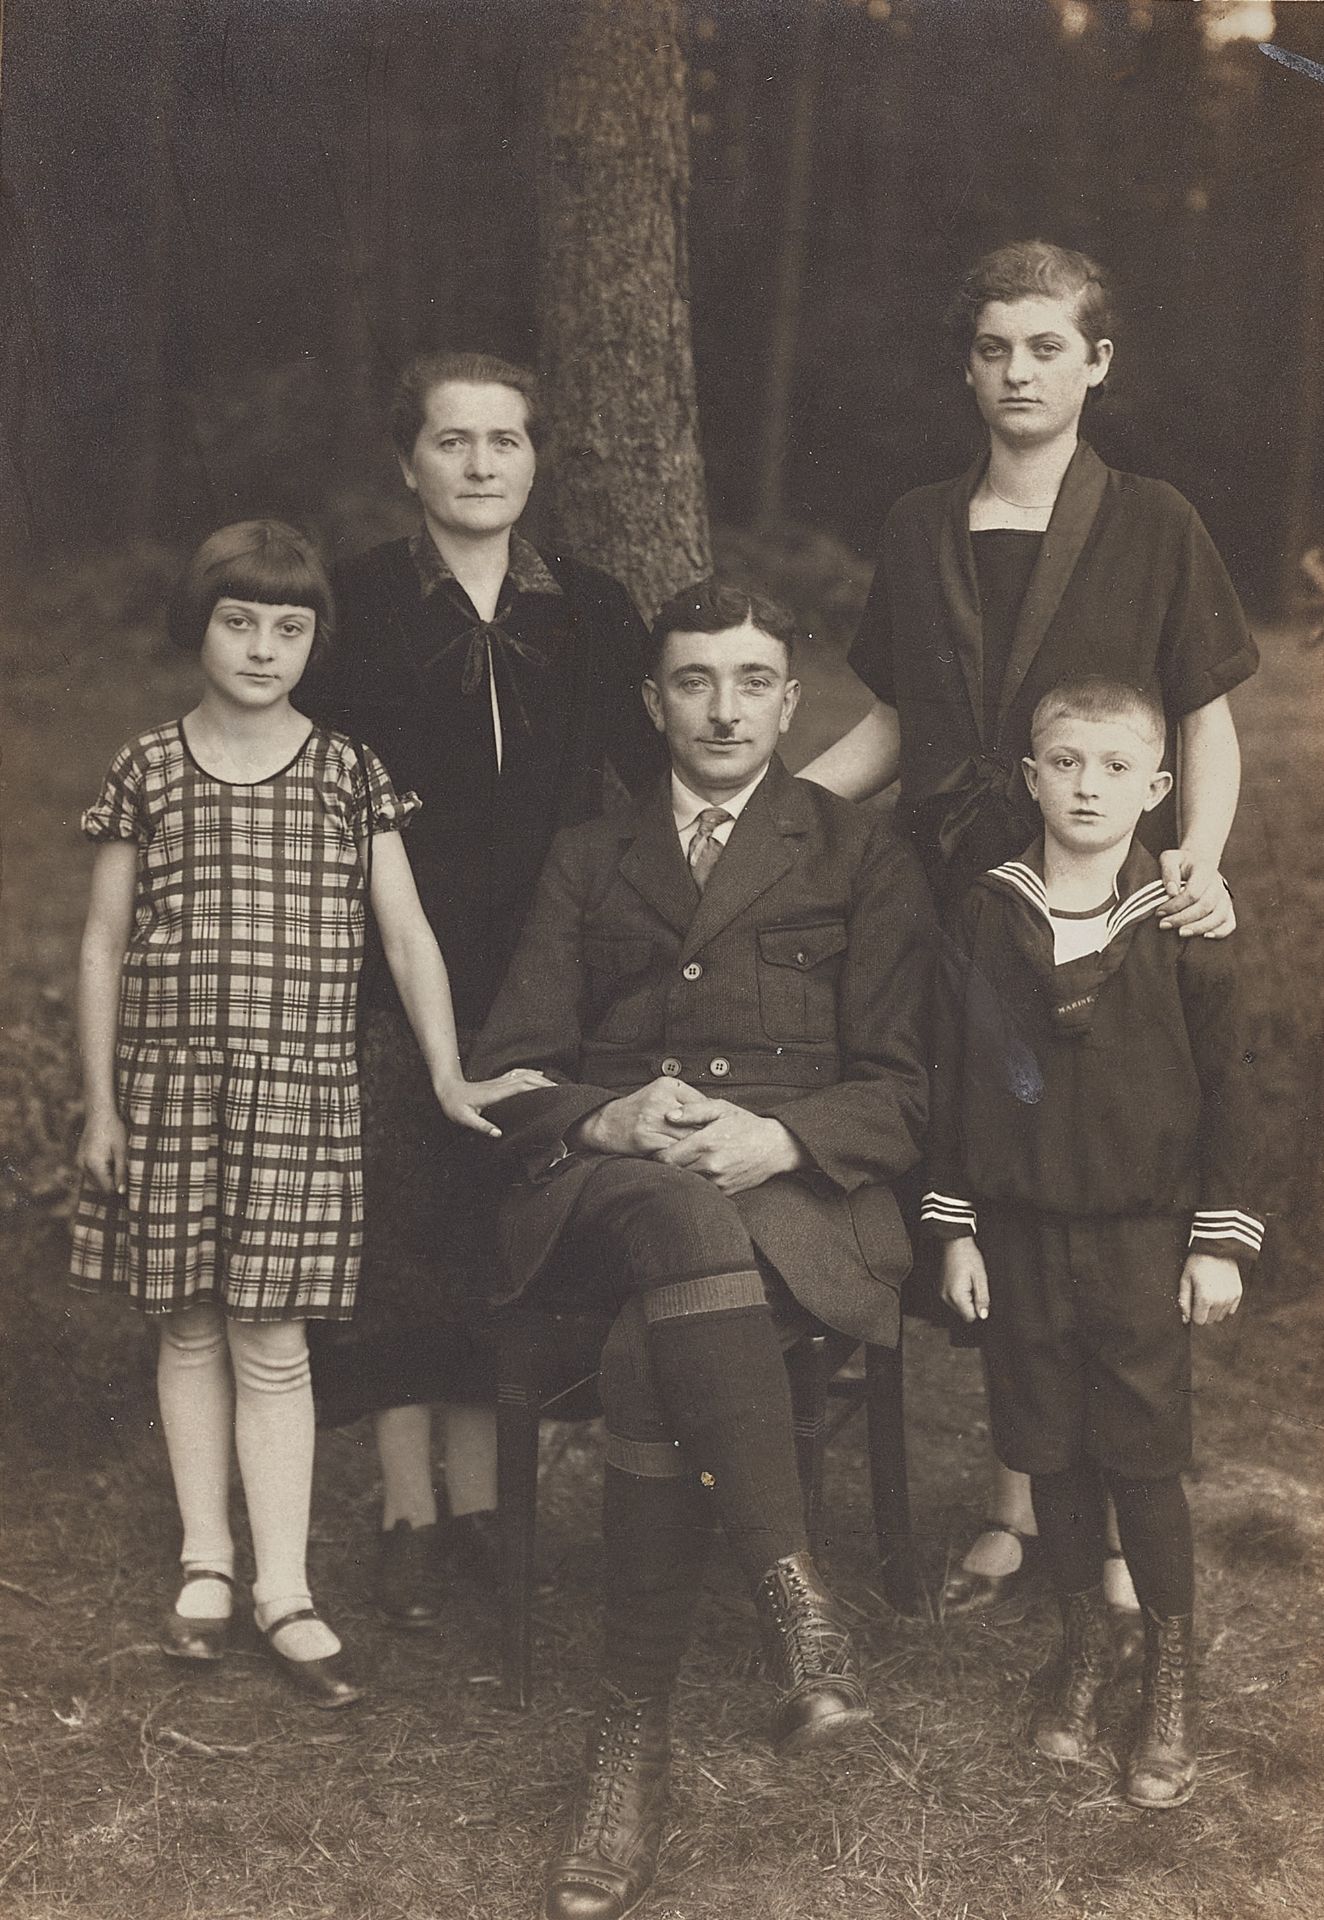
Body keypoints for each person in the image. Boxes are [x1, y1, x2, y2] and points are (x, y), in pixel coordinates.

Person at [797, 240, 1258, 1623]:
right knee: (997, 1179)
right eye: (995, 349)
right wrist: (773, 814)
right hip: (963, 905)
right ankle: (1017, 1502)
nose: (1018, 373)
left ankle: (1119, 1521)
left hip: (1107, 901)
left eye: (1047, 347)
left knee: (1103, 1195)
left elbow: (1205, 719)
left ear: (1096, 365)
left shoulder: (1155, 521)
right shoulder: (921, 522)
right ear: (967, 367)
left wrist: (1197, 862)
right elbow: (889, 725)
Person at [470, 579, 933, 1920]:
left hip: (792, 1195)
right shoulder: (590, 854)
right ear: (652, 701)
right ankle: (797, 1603)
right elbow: (507, 1072)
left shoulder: (858, 852)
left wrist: (780, 1144)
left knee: (644, 1351)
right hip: (609, 1192)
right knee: (666, 1214)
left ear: (792, 703)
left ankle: (631, 1743)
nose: (722, 709)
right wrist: (606, 1112)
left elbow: (906, 1090)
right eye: (692, 681)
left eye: (749, 681)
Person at [70, 520, 545, 1708]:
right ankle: (206, 1563)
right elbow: (102, 944)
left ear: (315, 642)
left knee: (273, 1342)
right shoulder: (147, 768)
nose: (263, 647)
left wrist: (443, 1071)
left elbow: (406, 933)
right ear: (200, 626)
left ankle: (284, 1586)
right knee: (187, 1326)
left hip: (300, 1097)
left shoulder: (347, 771)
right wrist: (100, 1107)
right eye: (239, 622)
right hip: (170, 1094)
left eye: (289, 628)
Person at [303, 349, 664, 1627]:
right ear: (409, 463)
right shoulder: (354, 605)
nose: (478, 464)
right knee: (399, 1230)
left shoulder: (592, 608)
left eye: (503, 441)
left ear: (535, 461)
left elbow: (651, 774)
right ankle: (408, 1514)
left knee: (497, 1228)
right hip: (389, 963)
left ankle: (482, 1509)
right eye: (451, 442)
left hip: (545, 969)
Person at [924, 675, 1262, 1808]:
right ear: (1028, 775)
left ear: (1158, 789)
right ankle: (1080, 1648)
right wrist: (957, 1224)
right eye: (1064, 761)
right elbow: (954, 1076)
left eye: (1116, 767)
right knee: (1049, 1448)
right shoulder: (986, 909)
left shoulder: (1181, 920)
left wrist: (1215, 1239)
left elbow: (1238, 1088)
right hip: (1018, 1236)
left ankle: (1167, 1670)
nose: (1087, 786)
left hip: (1137, 1238)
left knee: (1140, 1455)